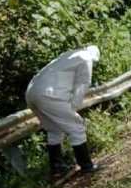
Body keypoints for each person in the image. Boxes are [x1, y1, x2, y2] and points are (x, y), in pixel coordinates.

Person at [25, 45, 103, 177]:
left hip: (31, 93)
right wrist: (73, 108)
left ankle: (57, 168)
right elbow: (83, 84)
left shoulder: (67, 56)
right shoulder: (86, 58)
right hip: (48, 95)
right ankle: (86, 165)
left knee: (54, 129)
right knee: (77, 126)